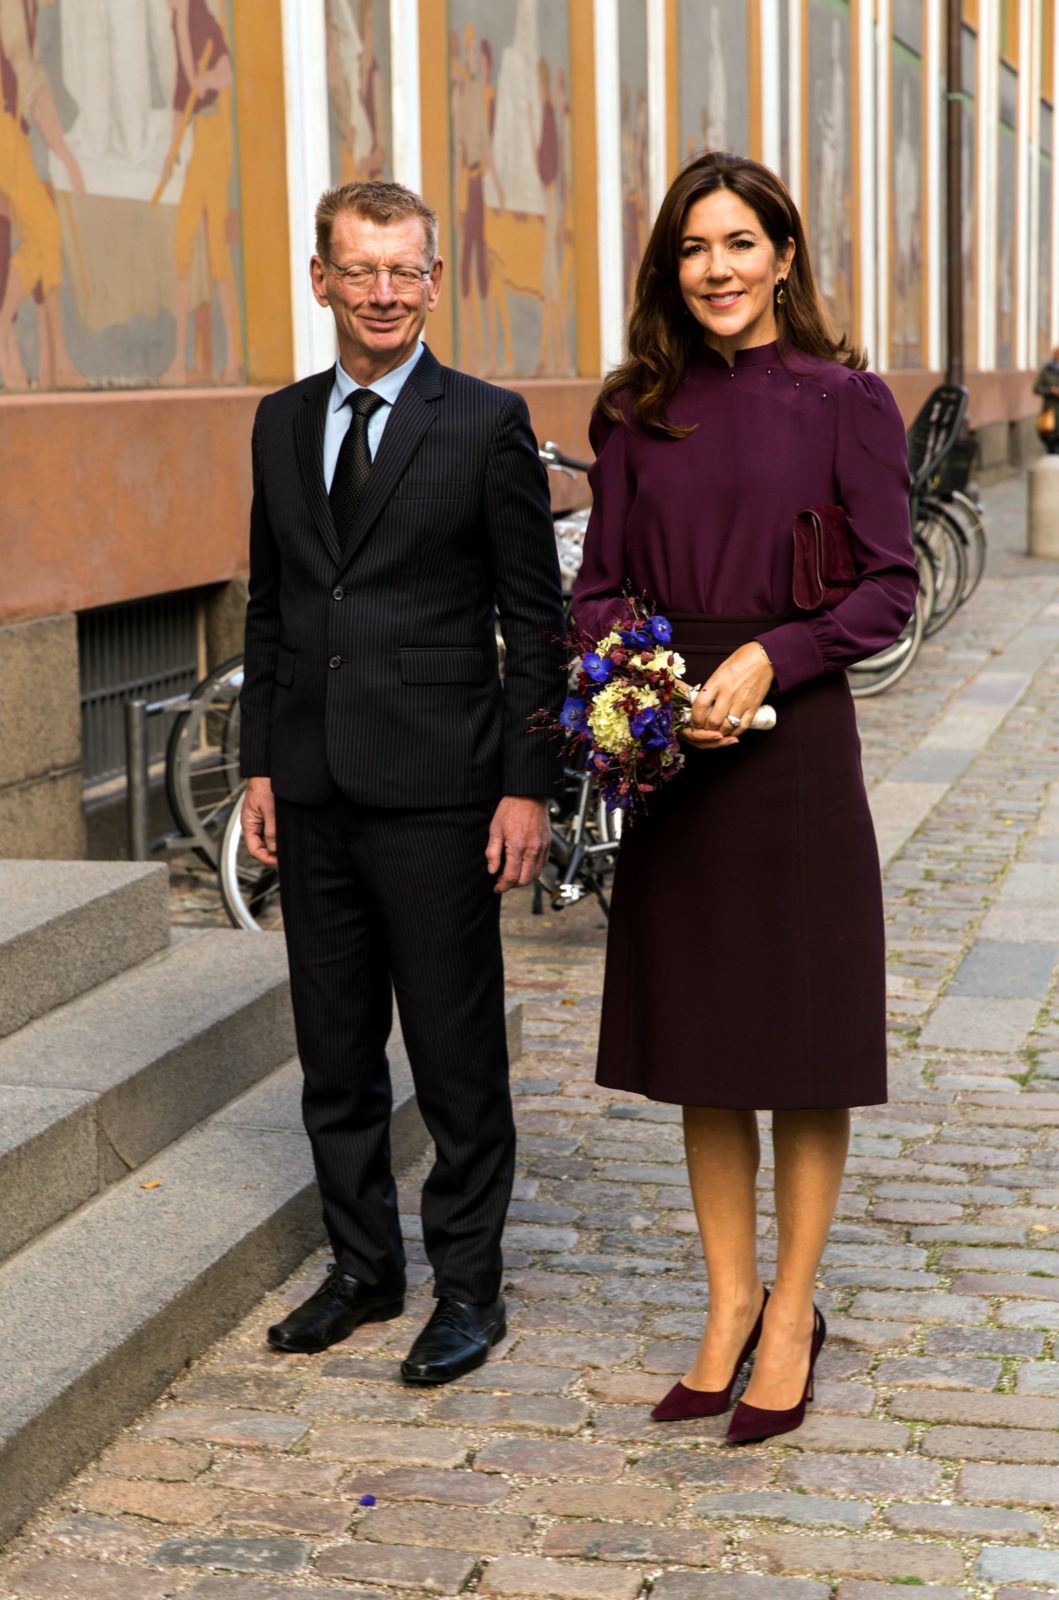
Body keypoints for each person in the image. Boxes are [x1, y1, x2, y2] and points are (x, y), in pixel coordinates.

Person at [572, 151, 917, 1445]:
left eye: (736, 244)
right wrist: (646, 675)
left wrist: (774, 651)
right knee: (706, 1049)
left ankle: (791, 1314)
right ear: (671, 268)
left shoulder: (846, 401)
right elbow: (596, 582)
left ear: (780, 256)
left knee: (799, 1043)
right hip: (676, 753)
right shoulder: (632, 410)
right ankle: (725, 1307)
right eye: (690, 249)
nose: (713, 269)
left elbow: (888, 586)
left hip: (792, 747)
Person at [239, 180, 565, 1383]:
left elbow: (535, 624)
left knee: (454, 1055)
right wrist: (260, 763)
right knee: (334, 1053)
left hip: (441, 792)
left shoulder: (483, 422)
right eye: (358, 269)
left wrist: (526, 785)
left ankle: (468, 1291)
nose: (382, 292)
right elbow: (273, 606)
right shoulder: (278, 422)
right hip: (313, 786)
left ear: (436, 282)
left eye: (404, 271)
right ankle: (364, 1268)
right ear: (319, 277)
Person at [1033, 344, 1059, 456]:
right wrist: (1050, 390)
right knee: (1050, 441)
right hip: (1051, 410)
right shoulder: (1047, 369)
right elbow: (1036, 388)